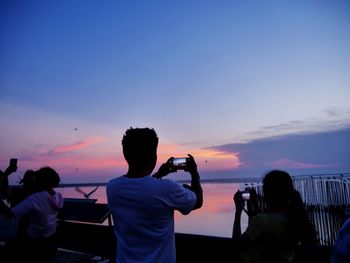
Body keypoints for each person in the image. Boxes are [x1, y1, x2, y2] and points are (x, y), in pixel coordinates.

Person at [107, 127, 203, 263]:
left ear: (125, 154)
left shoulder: (112, 188)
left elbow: (143, 188)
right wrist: (194, 173)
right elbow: (197, 201)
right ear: (153, 156)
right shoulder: (167, 188)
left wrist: (158, 174)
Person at [232, 170, 317, 263]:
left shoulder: (261, 221)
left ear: (267, 194)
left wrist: (238, 212)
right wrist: (255, 209)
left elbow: (236, 247)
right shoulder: (297, 220)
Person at [0, 166, 64, 263]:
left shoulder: (35, 198)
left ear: (39, 181)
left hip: (33, 247)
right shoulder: (59, 197)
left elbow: (9, 214)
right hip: (50, 245)